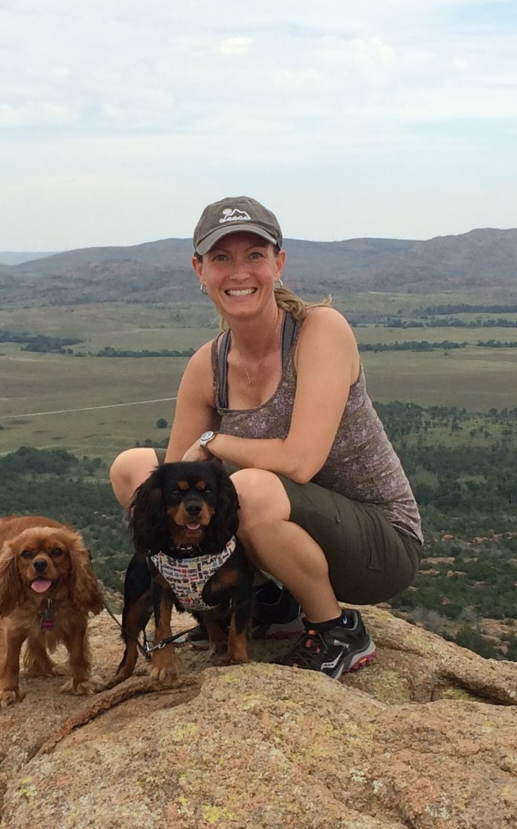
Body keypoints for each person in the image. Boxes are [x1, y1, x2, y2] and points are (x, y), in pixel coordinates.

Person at [109, 195, 423, 678]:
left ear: (279, 263)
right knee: (133, 470)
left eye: (254, 255)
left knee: (251, 489)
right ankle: (259, 601)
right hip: (286, 537)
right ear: (199, 270)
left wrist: (214, 440)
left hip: (378, 544)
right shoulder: (206, 367)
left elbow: (298, 463)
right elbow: (167, 487)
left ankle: (337, 630)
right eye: (221, 258)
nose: (239, 272)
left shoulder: (319, 331)